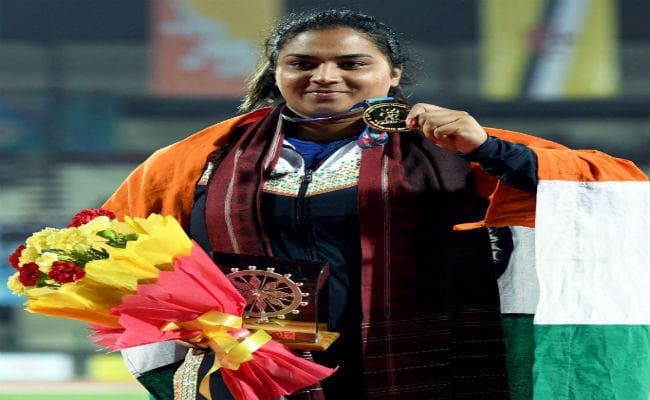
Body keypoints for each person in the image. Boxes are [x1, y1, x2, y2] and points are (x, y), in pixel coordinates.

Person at [103, 9, 650, 400]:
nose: (325, 76)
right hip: (254, 371)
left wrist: (489, 149)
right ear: (276, 72)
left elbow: (611, 189)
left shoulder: (448, 147)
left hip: (421, 363)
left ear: (393, 75)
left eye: (352, 63)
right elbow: (112, 245)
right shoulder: (204, 158)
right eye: (302, 63)